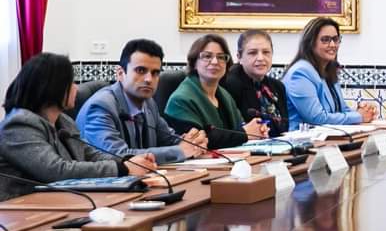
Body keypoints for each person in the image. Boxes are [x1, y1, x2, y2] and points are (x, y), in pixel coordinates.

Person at [0, 53, 157, 201]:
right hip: (22, 209)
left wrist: (131, 161)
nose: (76, 88)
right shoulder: (18, 125)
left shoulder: (64, 121)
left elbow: (91, 155)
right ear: (53, 87)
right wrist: (123, 168)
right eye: (71, 83)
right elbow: (56, 171)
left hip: (60, 201)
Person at [77, 38, 208, 163]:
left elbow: (169, 139)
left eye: (155, 73)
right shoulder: (101, 106)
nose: (149, 79)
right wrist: (181, 151)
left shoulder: (148, 103)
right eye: (140, 70)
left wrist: (192, 142)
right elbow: (118, 156)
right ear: (120, 73)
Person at [164, 35, 268, 149]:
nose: (214, 62)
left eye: (221, 57)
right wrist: (244, 133)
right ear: (194, 63)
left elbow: (240, 127)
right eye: (207, 56)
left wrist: (256, 130)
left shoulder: (225, 95)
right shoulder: (180, 100)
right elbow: (199, 140)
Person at [283, 17, 376, 130]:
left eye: (335, 39)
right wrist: (359, 116)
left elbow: (342, 110)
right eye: (325, 40)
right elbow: (317, 118)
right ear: (310, 43)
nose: (332, 45)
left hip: (328, 137)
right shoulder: (300, 73)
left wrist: (363, 112)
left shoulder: (329, 69)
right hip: (302, 138)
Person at [222, 30, 289, 137]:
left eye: (266, 52)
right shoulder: (229, 85)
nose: (261, 58)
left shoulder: (278, 86)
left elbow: (284, 128)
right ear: (239, 57)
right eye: (253, 53)